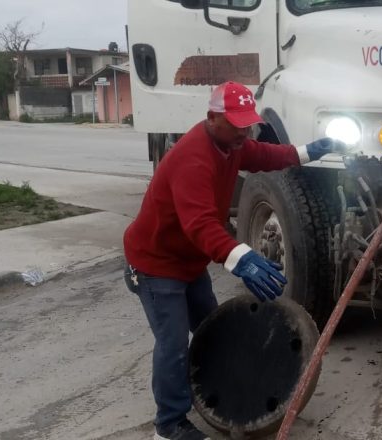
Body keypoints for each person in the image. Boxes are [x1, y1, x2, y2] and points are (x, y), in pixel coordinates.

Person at [122, 81, 349, 440]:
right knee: (173, 343)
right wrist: (239, 258)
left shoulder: (231, 144)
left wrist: (308, 152)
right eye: (236, 123)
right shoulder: (193, 158)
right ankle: (168, 426)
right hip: (155, 265)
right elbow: (199, 224)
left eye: (248, 123)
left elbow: (266, 155)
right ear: (212, 118)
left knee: (215, 330)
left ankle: (221, 386)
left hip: (188, 263)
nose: (245, 130)